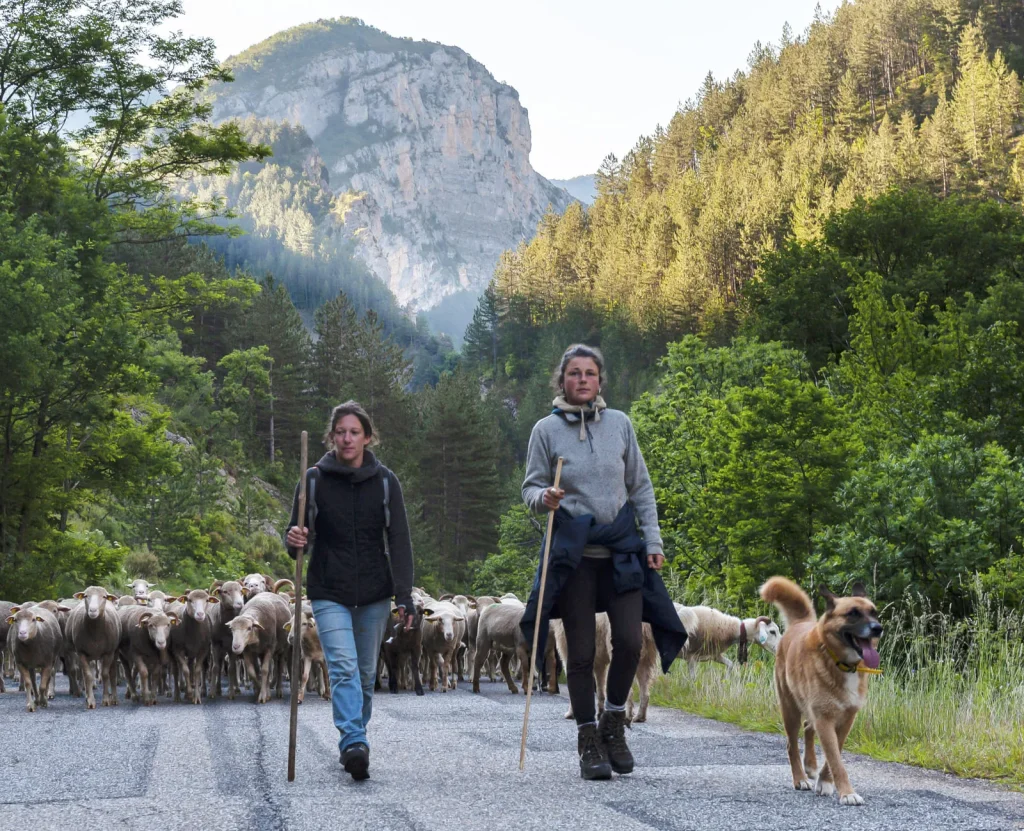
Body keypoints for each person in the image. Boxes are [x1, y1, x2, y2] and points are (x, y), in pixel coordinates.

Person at [520, 344, 687, 781]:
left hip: (621, 551)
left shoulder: (620, 425)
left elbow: (641, 487)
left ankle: (614, 721)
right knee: (580, 652)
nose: (581, 380)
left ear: (599, 380)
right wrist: (545, 497)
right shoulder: (545, 430)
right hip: (574, 557)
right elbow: (530, 489)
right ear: (562, 381)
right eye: (573, 373)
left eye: (589, 373)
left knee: (631, 642)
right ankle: (587, 738)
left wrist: (653, 539)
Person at [286, 401, 415, 782]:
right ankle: (354, 742)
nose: (347, 438)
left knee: (363, 673)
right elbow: (297, 538)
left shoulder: (386, 482)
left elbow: (400, 540)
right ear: (331, 436)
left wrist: (404, 594)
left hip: (375, 591)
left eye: (354, 432)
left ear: (367, 437)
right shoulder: (313, 480)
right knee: (342, 668)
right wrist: (293, 538)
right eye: (340, 431)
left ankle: (356, 736)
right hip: (329, 589)